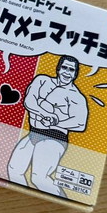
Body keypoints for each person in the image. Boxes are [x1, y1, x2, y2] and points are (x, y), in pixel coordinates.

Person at [7, 55, 89, 197]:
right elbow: (29, 101)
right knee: (14, 169)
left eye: (71, 70)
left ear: (75, 74)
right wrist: (47, 115)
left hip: (54, 137)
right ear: (58, 68)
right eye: (64, 67)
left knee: (39, 177)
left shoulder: (76, 96)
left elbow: (80, 123)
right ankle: (25, 198)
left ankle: (63, 200)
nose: (67, 72)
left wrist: (55, 122)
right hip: (33, 133)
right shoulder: (42, 80)